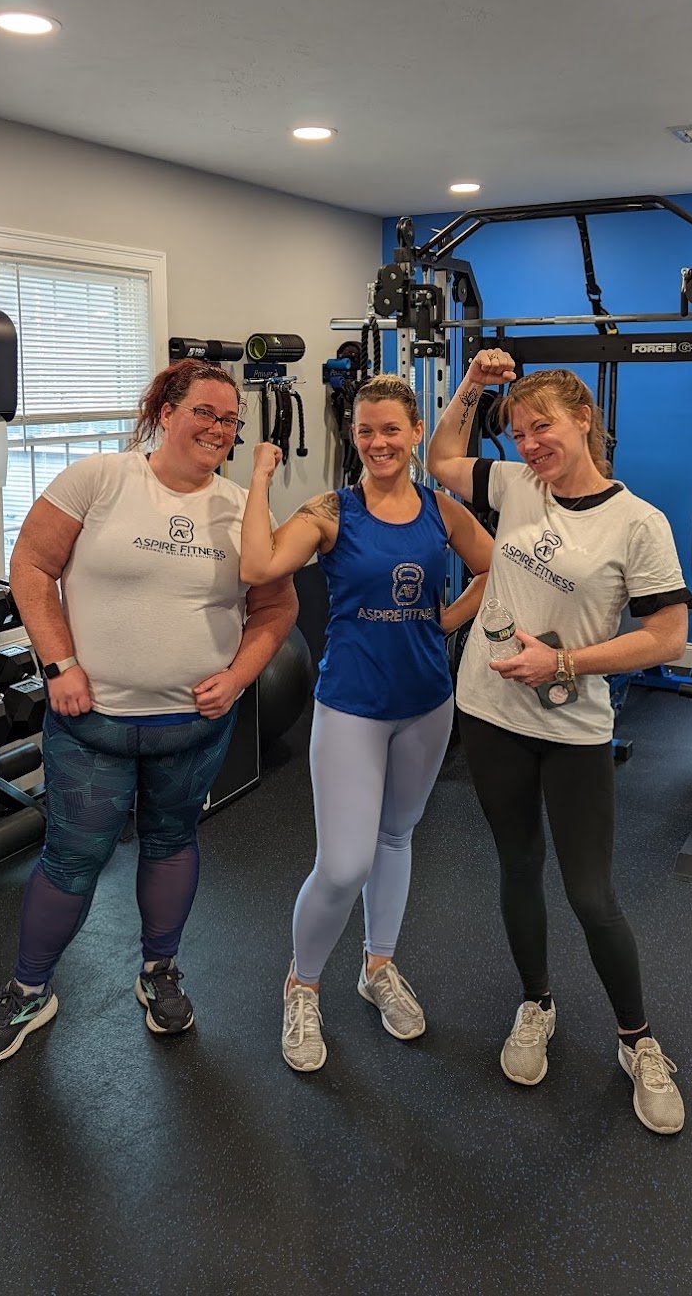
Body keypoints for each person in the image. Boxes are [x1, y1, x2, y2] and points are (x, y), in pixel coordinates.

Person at [0, 360, 298, 1065]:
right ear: (166, 411)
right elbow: (30, 565)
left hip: (191, 727)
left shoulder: (241, 508)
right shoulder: (99, 480)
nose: (218, 428)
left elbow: (276, 607)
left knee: (172, 842)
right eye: (204, 411)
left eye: (230, 419)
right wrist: (59, 664)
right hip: (94, 724)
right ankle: (29, 988)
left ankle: (159, 971)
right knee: (72, 857)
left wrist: (239, 678)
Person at [428, 349, 690, 1135]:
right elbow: (439, 458)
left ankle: (637, 1041)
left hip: (573, 727)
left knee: (591, 894)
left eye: (541, 427)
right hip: (489, 713)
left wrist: (565, 661)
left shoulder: (637, 522)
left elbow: (667, 637)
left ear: (583, 419)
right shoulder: (515, 485)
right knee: (518, 865)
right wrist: (471, 386)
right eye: (518, 431)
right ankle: (536, 1003)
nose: (529, 443)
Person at [240, 373, 494, 1073]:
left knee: (395, 837)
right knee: (343, 863)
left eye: (390, 429)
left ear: (416, 434)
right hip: (351, 705)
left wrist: (446, 621)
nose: (377, 442)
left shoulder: (441, 510)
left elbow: (493, 567)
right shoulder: (332, 511)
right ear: (352, 437)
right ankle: (302, 984)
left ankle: (377, 966)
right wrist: (259, 478)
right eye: (364, 430)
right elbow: (257, 564)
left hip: (427, 703)